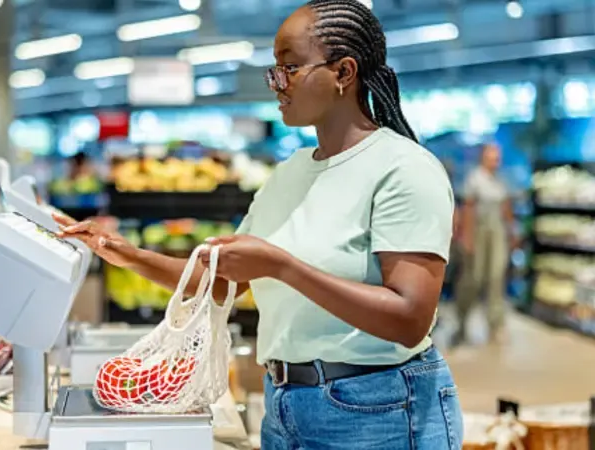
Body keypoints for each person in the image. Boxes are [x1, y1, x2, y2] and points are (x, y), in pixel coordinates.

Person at [55, 0, 462, 447]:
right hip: (286, 405)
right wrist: (123, 252)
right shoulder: (290, 173)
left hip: (376, 411)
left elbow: (409, 319)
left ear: (344, 72)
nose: (277, 84)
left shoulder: (404, 168)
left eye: (290, 68)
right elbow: (221, 278)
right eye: (274, 70)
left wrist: (282, 266)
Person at [453, 143, 516, 346]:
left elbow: (506, 208)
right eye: (492, 156)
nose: (495, 161)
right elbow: (468, 209)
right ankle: (462, 323)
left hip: (496, 232)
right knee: (474, 277)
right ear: (483, 157)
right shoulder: (475, 179)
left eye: (497, 157)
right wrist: (467, 238)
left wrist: (511, 232)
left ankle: (496, 325)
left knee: (496, 277)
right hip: (478, 232)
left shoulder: (500, 181)